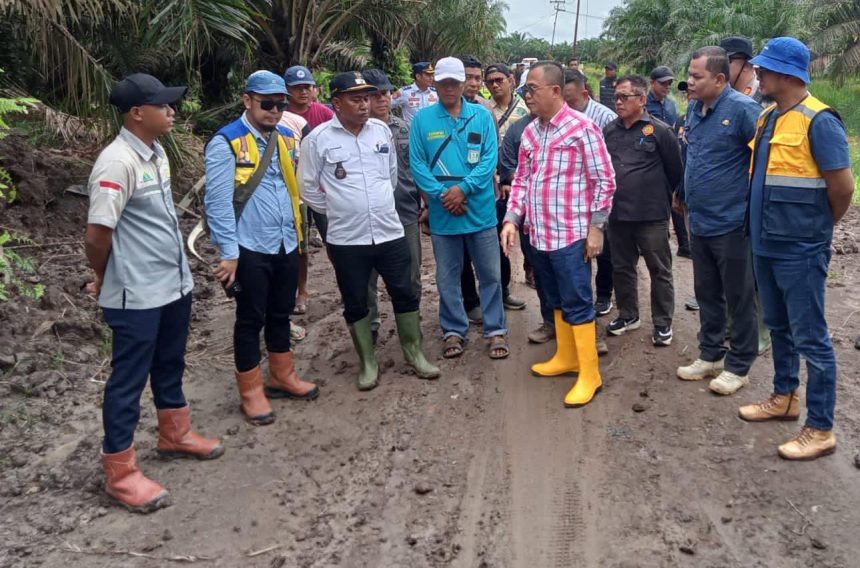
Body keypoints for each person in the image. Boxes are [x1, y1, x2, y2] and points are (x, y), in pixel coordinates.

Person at [85, 73, 223, 513]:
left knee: (170, 362)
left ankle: (174, 434)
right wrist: (102, 275)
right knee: (128, 380)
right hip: (137, 291)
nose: (172, 111)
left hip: (172, 283)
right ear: (136, 113)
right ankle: (120, 472)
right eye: (162, 105)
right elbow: (97, 234)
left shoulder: (157, 152)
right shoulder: (116, 162)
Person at [737, 37, 855, 460]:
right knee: (779, 327)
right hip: (765, 243)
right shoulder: (767, 118)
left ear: (787, 74)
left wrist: (818, 230)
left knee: (811, 337)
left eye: (764, 69)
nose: (758, 75)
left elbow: (843, 188)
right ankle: (784, 397)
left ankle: (820, 428)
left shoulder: (820, 121)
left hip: (801, 248)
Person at [300, 72, 440, 390]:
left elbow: (390, 176)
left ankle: (414, 352)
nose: (365, 104)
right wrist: (341, 209)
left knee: (404, 291)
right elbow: (308, 189)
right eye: (356, 99)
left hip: (389, 231)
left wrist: (374, 205)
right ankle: (368, 362)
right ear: (337, 103)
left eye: (367, 98)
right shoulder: (318, 140)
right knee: (356, 299)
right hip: (347, 238)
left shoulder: (380, 131)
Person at [205, 71, 320, 426]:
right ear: (247, 100)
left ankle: (282, 375)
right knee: (249, 319)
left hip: (286, 241)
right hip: (249, 246)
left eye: (280, 105)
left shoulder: (284, 137)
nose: (274, 111)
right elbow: (218, 204)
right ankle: (251, 391)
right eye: (266, 104)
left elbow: (291, 187)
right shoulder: (226, 142)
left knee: (281, 313)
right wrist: (229, 253)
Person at [501, 62, 616, 408]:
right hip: (539, 235)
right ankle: (566, 357)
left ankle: (590, 374)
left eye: (531, 89)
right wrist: (511, 219)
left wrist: (596, 228)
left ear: (554, 90)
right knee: (553, 298)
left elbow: (605, 180)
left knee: (577, 302)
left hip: (571, 236)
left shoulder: (583, 129)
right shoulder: (531, 133)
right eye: (524, 89)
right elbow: (522, 180)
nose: (526, 95)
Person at [409, 57, 510, 360]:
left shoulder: (481, 116)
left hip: (480, 210)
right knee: (447, 277)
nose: (450, 88)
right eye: (444, 82)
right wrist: (443, 194)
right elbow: (418, 164)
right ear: (435, 83)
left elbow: (489, 160)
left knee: (490, 274)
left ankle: (495, 329)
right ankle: (453, 329)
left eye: (455, 82)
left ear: (463, 83)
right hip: (444, 212)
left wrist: (462, 189)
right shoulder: (422, 120)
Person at [675, 46, 761, 396]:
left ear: (720, 79)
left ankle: (738, 366)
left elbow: (763, 162)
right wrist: (682, 191)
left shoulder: (744, 111)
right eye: (689, 75)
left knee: (739, 297)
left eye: (697, 76)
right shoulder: (695, 109)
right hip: (700, 220)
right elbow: (693, 154)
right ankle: (710, 355)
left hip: (732, 222)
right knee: (707, 293)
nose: (690, 82)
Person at [603, 75, 683, 346]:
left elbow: (675, 172)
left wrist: (672, 202)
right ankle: (628, 315)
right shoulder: (609, 130)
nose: (618, 102)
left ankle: (662, 323)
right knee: (622, 267)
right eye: (616, 97)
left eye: (624, 97)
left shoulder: (660, 131)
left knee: (659, 269)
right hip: (618, 213)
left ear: (641, 99)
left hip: (651, 215)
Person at [362, 69, 424, 344]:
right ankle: (370, 326)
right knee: (367, 278)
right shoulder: (353, 132)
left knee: (411, 273)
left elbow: (417, 168)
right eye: (374, 94)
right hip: (368, 217)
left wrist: (425, 204)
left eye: (385, 93)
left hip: (405, 211)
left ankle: (411, 322)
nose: (382, 99)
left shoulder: (404, 128)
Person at [563, 69, 617, 319]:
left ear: (585, 94)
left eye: (571, 100)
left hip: (599, 194)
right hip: (572, 198)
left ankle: (604, 294)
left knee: (604, 247)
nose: (566, 106)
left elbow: (613, 161)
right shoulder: (559, 119)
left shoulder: (605, 118)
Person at [284, 65, 334, 315]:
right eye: (297, 88)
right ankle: (301, 291)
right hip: (294, 192)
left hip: (323, 187)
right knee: (299, 245)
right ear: (287, 90)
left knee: (333, 237)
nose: (303, 92)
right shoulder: (281, 116)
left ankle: (346, 283)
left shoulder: (323, 113)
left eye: (307, 87)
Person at [483, 62, 528, 311]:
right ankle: (503, 290)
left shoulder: (527, 107)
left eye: (499, 80)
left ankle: (532, 270)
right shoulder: (483, 108)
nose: (495, 85)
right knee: (500, 237)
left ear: (511, 80)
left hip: (526, 183)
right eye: (490, 82)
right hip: (498, 185)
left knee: (531, 236)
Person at [719, 36, 768, 105]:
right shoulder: (719, 93)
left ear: (747, 65)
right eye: (718, 61)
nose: (720, 65)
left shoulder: (765, 96)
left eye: (726, 60)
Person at [391, 62, 438, 126]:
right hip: (411, 130)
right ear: (418, 76)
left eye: (432, 75)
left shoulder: (436, 93)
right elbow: (387, 104)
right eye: (428, 75)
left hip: (432, 130)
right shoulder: (404, 92)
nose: (431, 78)